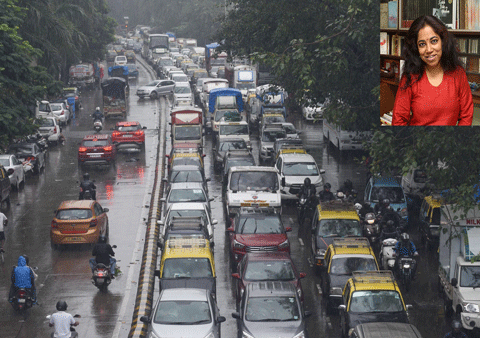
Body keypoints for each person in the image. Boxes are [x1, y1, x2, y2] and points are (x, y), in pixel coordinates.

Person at [392, 15, 473, 126]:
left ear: (443, 42)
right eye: (422, 44)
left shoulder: (458, 73)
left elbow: (466, 116)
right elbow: (398, 120)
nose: (429, 50)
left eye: (434, 41)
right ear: (416, 48)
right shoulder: (410, 76)